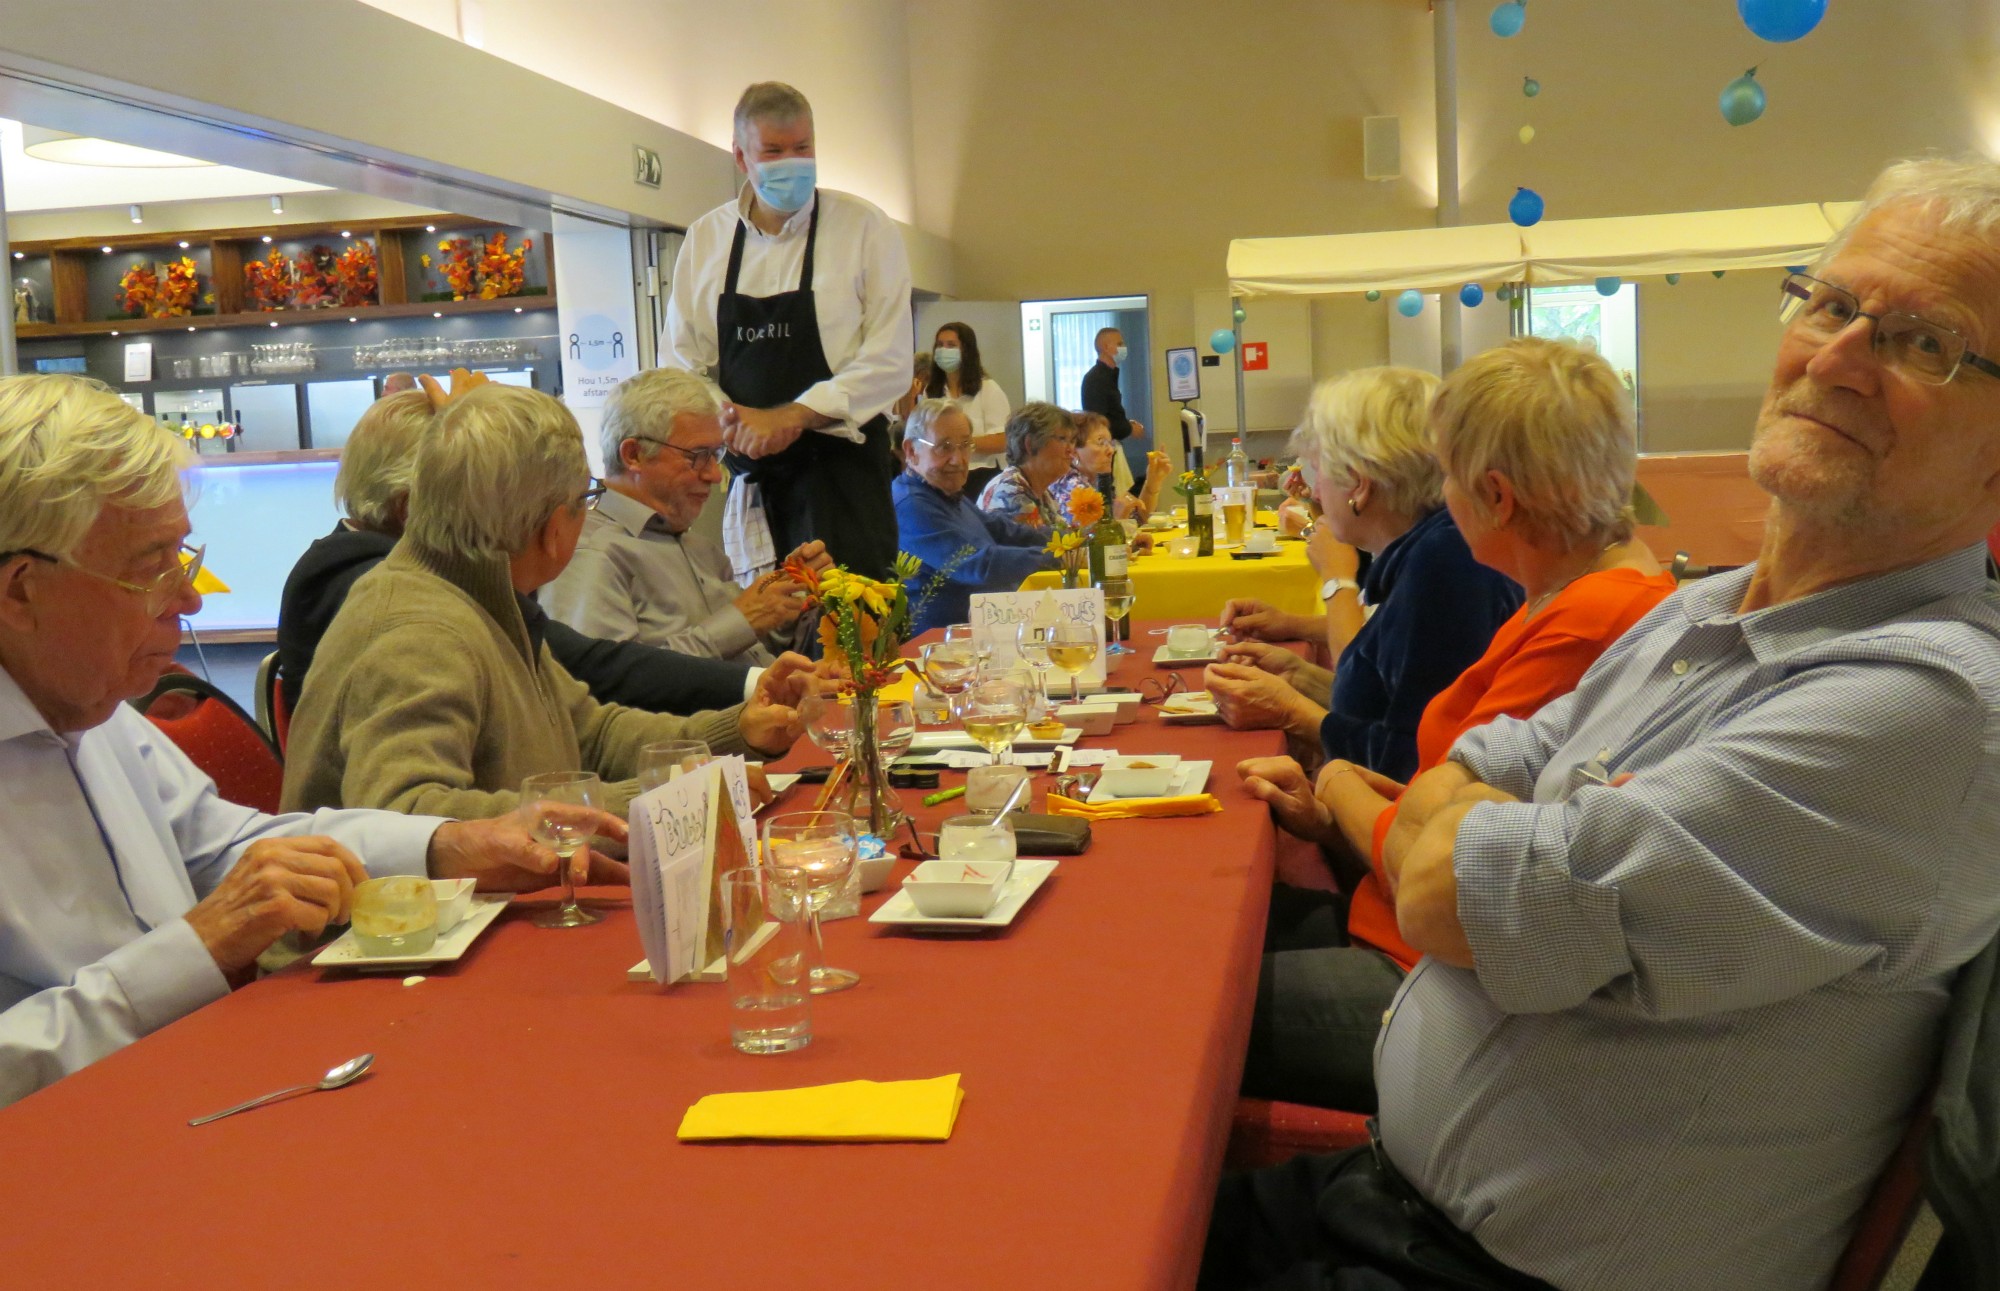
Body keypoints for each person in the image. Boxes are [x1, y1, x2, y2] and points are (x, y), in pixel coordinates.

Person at [1202, 157, 2000, 1291]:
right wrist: (1476, 821)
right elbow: (1462, 777)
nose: (1834, 358)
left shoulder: (1932, 704)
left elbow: (1444, 884)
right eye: (1827, 303)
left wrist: (1456, 820)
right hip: (1384, 1207)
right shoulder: (1703, 606)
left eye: (1923, 343)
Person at [0, 375, 625, 1107]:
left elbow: (236, 846)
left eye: (183, 555)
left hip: (199, 1083)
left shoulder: (98, 714)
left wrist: (455, 844)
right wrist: (195, 947)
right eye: (150, 566)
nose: (189, 596)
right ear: (20, 591)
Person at [1231, 337, 1674, 1115]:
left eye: (1446, 474)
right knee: (1211, 926)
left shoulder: (1590, 616)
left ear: (1496, 498)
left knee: (1184, 998)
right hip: (1402, 921)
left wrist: (1335, 780)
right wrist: (1341, 809)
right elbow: (1431, 794)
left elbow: (1446, 859)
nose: (1436, 499)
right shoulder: (1567, 593)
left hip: (1428, 973)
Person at [283, 385, 802, 822]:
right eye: (586, 499)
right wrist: (653, 798)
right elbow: (412, 817)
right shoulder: (416, 628)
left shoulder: (479, 593)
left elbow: (591, 732)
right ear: (554, 528)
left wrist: (737, 729)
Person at [277, 389, 768, 718]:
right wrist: (750, 685)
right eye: (482, 489)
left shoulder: (392, 565)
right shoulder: (366, 582)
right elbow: (425, 809)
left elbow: (579, 711)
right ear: (414, 506)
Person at [1206, 367, 1522, 773]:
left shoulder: (1443, 562)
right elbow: (1388, 703)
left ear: (1357, 484)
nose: (1316, 491)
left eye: (1317, 473)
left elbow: (1411, 760)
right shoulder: (1428, 547)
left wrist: (1290, 712)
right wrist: (1299, 676)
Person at [663, 81, 913, 580]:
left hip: (846, 478)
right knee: (761, 635)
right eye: (773, 151)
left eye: (803, 148)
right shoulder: (707, 239)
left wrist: (793, 416)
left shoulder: (865, 228)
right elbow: (679, 362)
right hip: (752, 480)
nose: (791, 163)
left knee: (857, 638)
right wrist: (734, 419)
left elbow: (890, 362)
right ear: (741, 157)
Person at [540, 368, 832, 664]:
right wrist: (740, 622)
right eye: (697, 456)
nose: (713, 475)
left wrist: (787, 598)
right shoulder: (593, 551)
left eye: (716, 455)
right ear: (633, 455)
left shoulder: (703, 552)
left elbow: (747, 653)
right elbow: (603, 682)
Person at [893, 399, 1057, 634]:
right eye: (945, 447)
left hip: (983, 632)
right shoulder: (911, 504)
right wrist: (1057, 557)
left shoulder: (944, 493)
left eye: (964, 446)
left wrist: (1069, 541)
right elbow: (979, 565)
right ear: (911, 451)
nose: (958, 459)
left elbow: (1003, 531)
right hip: (941, 647)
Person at [925, 320, 1011, 497]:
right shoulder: (931, 391)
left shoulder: (988, 389)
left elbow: (1004, 439)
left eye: (951, 345)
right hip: (942, 474)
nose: (943, 350)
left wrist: (962, 444)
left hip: (980, 474)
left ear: (966, 350)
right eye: (940, 345)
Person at [1054, 410, 1170, 523]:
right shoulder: (1070, 486)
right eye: (1100, 442)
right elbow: (1095, 539)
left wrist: (1152, 482)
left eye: (1110, 442)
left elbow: (1136, 522)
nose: (1111, 450)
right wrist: (1118, 518)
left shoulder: (1098, 482)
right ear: (1074, 451)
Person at [976, 401, 1077, 530]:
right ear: (1030, 444)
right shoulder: (1010, 490)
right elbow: (1037, 546)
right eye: (1062, 439)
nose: (1071, 450)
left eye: (1072, 441)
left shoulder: (1042, 492)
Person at [1081, 326, 1143, 442]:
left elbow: (1111, 413)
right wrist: (1128, 428)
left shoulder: (1108, 376)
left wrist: (1125, 423)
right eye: (1120, 344)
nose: (1124, 348)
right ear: (1106, 347)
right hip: (1104, 446)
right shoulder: (1096, 379)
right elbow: (1098, 422)